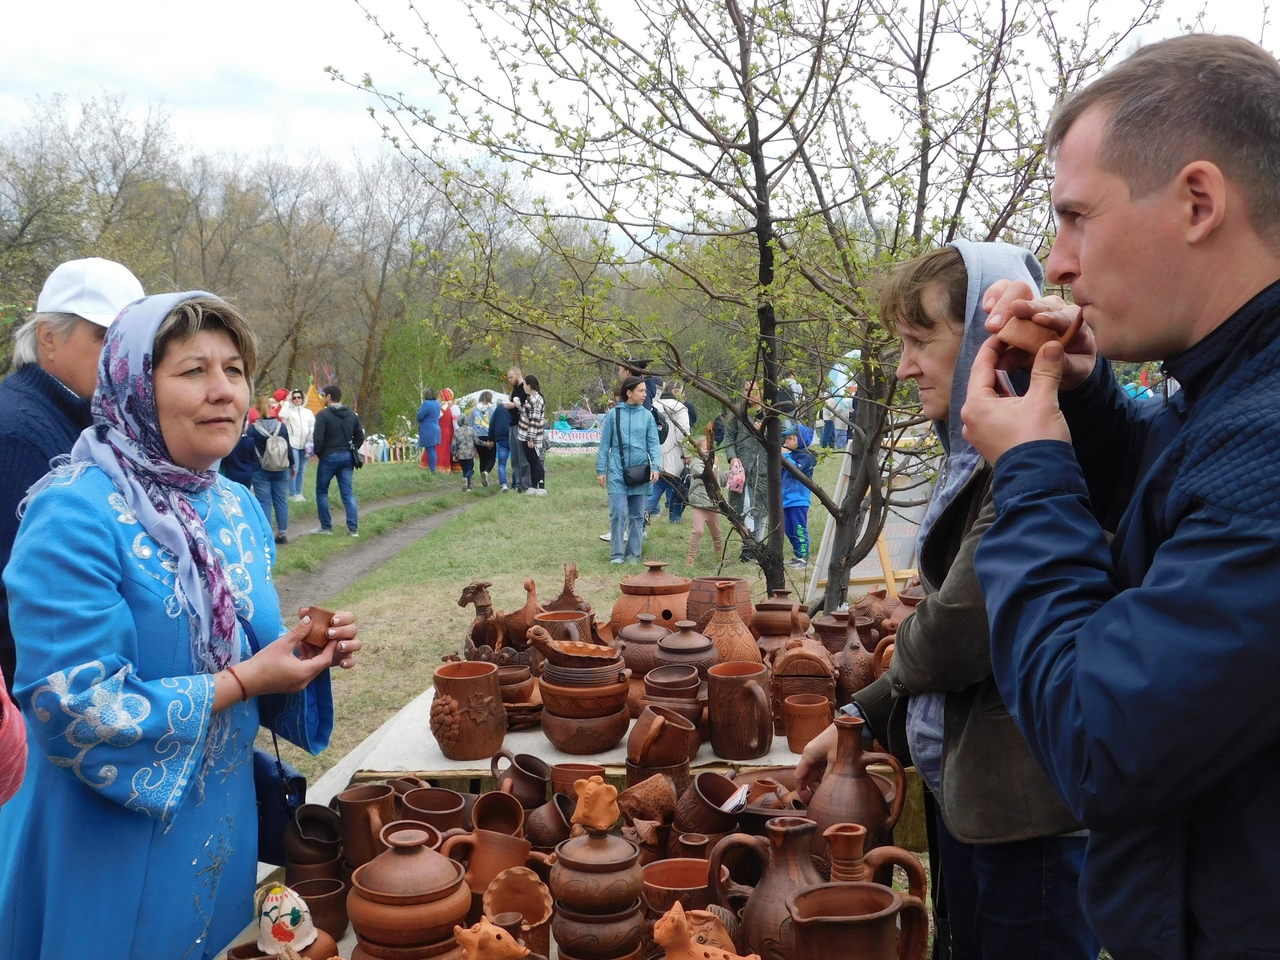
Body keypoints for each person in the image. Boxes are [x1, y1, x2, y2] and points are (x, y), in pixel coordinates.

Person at [956, 34, 1280, 960]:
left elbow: (1103, 739)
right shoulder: (1233, 389)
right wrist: (1089, 405)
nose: (1057, 263)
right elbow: (1183, 495)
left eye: (1077, 217)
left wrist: (1029, 474)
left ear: (1198, 201)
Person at [0, 291, 362, 959]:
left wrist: (302, 655)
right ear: (134, 385)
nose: (223, 391)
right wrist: (246, 679)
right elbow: (72, 705)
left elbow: (250, 654)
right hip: (101, 839)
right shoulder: (73, 513)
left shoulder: (233, 506)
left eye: (234, 369)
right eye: (193, 371)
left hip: (218, 824)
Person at [798, 242, 1094, 960]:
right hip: (980, 795)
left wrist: (913, 631)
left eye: (920, 340)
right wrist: (855, 718)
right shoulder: (978, 457)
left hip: (1030, 815)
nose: (902, 366)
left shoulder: (1032, 455)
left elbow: (956, 629)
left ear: (986, 345)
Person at [0, 257, 143, 694]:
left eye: (128, 340)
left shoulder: (78, 421)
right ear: (48, 337)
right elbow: (20, 598)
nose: (120, 356)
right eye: (104, 337)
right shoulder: (18, 432)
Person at [596, 375, 661, 563]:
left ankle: (633, 555)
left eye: (645, 391)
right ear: (629, 393)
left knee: (637, 515)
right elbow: (604, 445)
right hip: (617, 469)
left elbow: (654, 444)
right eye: (641, 391)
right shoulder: (613, 415)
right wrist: (601, 470)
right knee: (618, 512)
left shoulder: (647, 416)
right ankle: (616, 555)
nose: (645, 394)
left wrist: (656, 466)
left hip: (641, 470)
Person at [722, 380, 768, 561]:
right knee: (746, 505)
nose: (749, 393)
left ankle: (759, 543)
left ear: (762, 390)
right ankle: (748, 546)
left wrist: (763, 432)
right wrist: (732, 456)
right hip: (743, 468)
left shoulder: (769, 414)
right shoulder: (739, 414)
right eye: (746, 389)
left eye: (753, 389)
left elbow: (781, 438)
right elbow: (728, 436)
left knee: (763, 507)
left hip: (763, 467)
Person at [311, 384, 364, 537]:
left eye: (324, 395)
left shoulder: (323, 415)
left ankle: (326, 526)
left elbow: (318, 438)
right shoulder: (352, 415)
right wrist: (353, 448)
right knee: (347, 493)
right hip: (347, 456)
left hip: (329, 456)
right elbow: (360, 436)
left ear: (328, 396)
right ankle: (353, 529)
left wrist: (319, 453)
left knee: (322, 491)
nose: (323, 398)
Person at [647, 381, 692, 523]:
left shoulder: (653, 407)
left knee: (657, 486)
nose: (683, 395)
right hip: (675, 455)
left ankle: (641, 514)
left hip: (656, 455)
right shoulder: (680, 408)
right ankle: (675, 518)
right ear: (676, 392)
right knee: (680, 488)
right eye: (682, 392)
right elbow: (682, 434)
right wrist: (688, 454)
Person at [250, 395, 291, 544]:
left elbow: (249, 449)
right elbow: (289, 448)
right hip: (281, 467)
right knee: (281, 500)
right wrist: (291, 465)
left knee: (264, 502)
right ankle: (282, 533)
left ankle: (266, 535)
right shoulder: (282, 427)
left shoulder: (253, 429)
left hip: (261, 469)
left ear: (257, 408)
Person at [684, 435, 724, 565]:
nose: (708, 451)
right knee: (698, 530)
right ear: (698, 451)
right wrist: (715, 465)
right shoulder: (696, 464)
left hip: (712, 504)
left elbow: (720, 479)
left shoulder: (713, 463)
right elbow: (708, 475)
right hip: (699, 504)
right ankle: (690, 557)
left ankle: (719, 557)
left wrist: (734, 474)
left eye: (709, 449)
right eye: (705, 449)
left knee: (717, 532)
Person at [780, 423, 816, 569]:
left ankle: (804, 556)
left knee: (799, 528)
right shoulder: (790, 455)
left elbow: (796, 470)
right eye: (786, 439)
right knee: (789, 529)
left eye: (790, 439)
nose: (786, 442)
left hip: (798, 500)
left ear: (800, 440)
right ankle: (797, 555)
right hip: (786, 500)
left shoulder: (806, 457)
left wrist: (786, 455)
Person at [278, 387, 315, 501]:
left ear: (303, 398)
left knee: (302, 470)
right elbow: (281, 415)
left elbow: (312, 425)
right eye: (294, 398)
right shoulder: (288, 411)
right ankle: (293, 493)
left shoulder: (308, 412)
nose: (297, 399)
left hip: (306, 445)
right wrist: (286, 402)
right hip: (293, 443)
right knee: (294, 469)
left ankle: (299, 492)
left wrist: (310, 435)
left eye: (299, 397)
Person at [518, 374, 547, 495]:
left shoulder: (537, 400)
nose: (523, 386)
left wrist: (531, 438)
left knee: (536, 461)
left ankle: (541, 486)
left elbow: (534, 420)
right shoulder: (530, 398)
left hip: (531, 437)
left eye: (524, 384)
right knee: (531, 461)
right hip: (524, 435)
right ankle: (533, 486)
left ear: (529, 385)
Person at [503, 368, 530, 492]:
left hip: (522, 425)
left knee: (523, 457)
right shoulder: (514, 391)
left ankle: (526, 484)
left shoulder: (526, 388)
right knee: (514, 458)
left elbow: (530, 406)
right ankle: (518, 484)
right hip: (512, 424)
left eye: (511, 377)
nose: (509, 380)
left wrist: (515, 405)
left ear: (518, 375)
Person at [488, 388, 513, 492]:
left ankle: (503, 484)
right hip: (513, 436)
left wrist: (491, 438)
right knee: (516, 463)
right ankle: (515, 484)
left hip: (501, 438)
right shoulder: (516, 409)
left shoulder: (499, 408)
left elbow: (492, 423)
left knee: (502, 463)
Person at [471, 390, 497, 485]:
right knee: (491, 458)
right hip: (489, 435)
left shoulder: (474, 410)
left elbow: (471, 423)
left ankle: (483, 480)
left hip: (477, 436)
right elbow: (495, 423)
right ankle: (486, 472)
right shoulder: (493, 409)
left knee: (482, 458)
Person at [452, 409, 478, 491]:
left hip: (461, 454)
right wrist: (485, 444)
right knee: (470, 469)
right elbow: (476, 441)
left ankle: (467, 486)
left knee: (464, 469)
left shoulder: (456, 432)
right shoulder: (471, 430)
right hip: (470, 454)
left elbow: (454, 445)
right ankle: (467, 479)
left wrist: (454, 454)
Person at [417, 387, 442, 471]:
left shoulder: (426, 404)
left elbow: (419, 416)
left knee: (430, 450)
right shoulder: (437, 403)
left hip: (428, 429)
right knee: (433, 449)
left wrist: (419, 412)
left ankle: (432, 470)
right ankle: (433, 468)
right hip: (436, 427)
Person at [437, 387, 456, 473]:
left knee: (441, 449)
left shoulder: (444, 407)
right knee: (445, 449)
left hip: (442, 430)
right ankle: (445, 467)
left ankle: (441, 467)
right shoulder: (448, 407)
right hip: (447, 430)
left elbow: (438, 417)